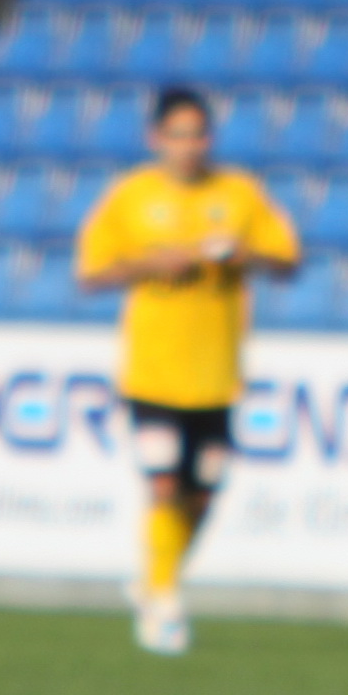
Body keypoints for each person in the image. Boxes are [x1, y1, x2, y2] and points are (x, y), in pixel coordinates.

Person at [75, 85, 300, 657]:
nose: (189, 145)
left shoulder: (238, 193)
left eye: (198, 134)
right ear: (156, 139)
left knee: (201, 495)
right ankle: (164, 603)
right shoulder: (131, 197)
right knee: (163, 483)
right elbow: (91, 273)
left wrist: (242, 256)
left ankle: (156, 578)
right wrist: (151, 263)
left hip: (216, 374)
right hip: (152, 372)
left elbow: (287, 260)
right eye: (178, 134)